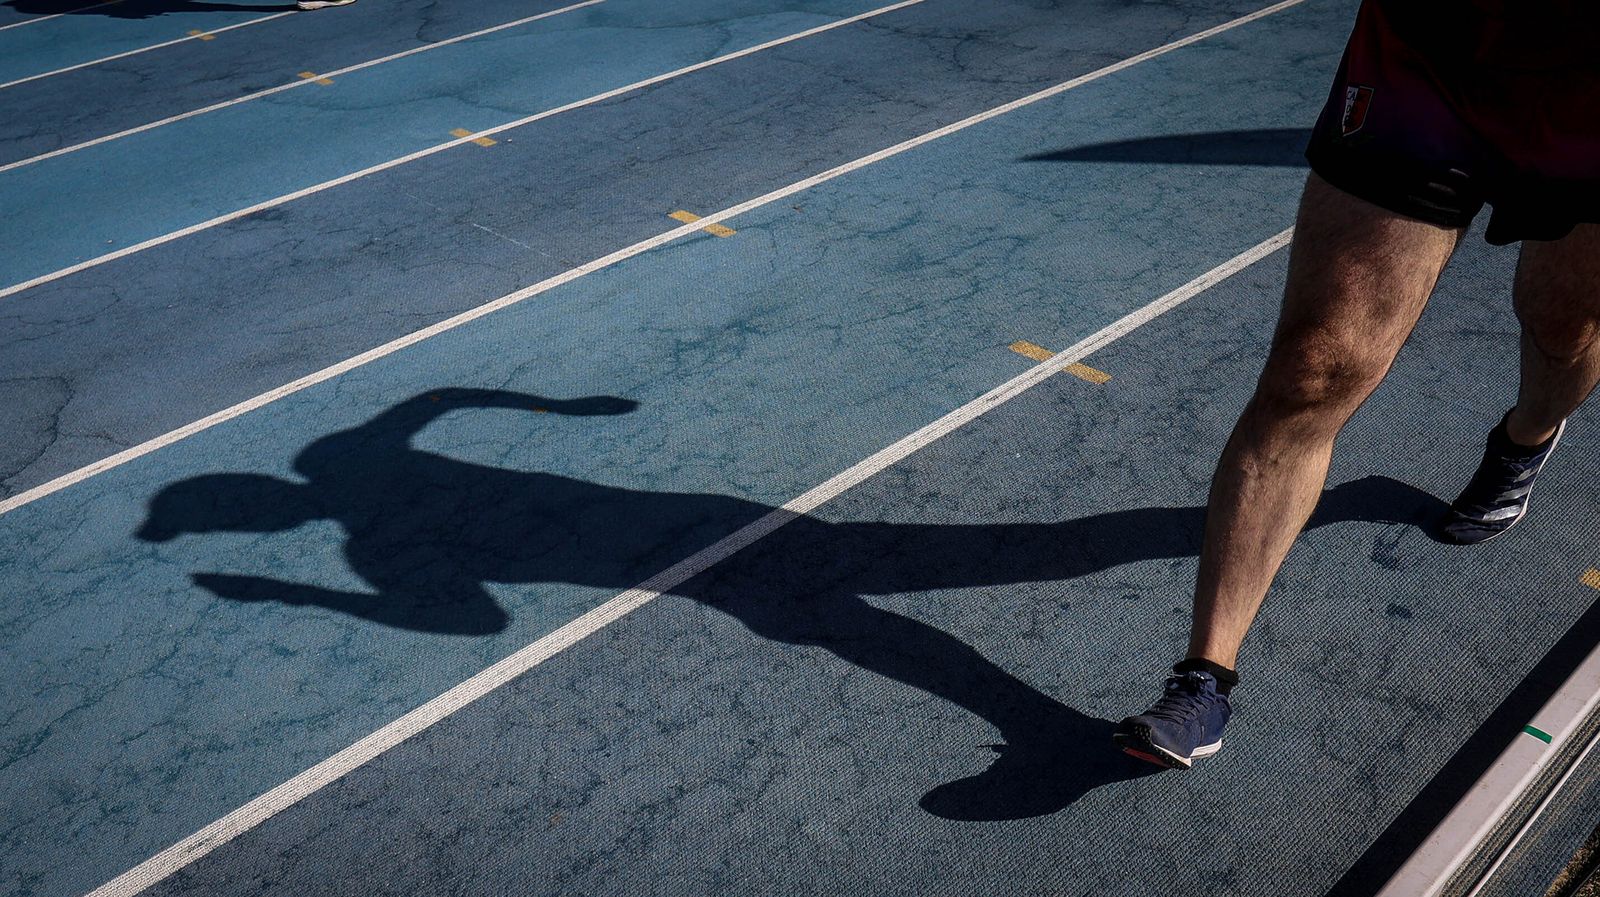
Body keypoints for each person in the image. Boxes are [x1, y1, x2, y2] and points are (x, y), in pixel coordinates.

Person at [1113, 0, 1600, 769]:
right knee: (1314, 365)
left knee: (1561, 321)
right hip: (1430, 54)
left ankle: (1526, 437)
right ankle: (1204, 679)